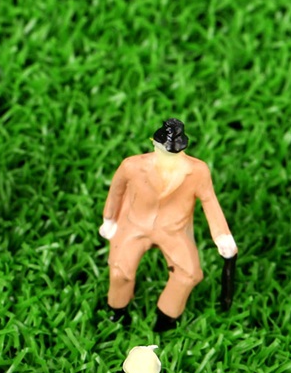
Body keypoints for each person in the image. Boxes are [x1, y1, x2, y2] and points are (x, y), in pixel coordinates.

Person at [100, 118, 238, 331]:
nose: (168, 156)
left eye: (174, 151)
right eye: (164, 149)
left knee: (188, 274)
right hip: (134, 226)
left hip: (174, 230)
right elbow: (116, 191)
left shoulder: (198, 171)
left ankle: (166, 317)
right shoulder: (132, 166)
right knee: (120, 272)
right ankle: (117, 311)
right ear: (155, 144)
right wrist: (109, 218)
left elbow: (210, 203)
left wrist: (222, 237)